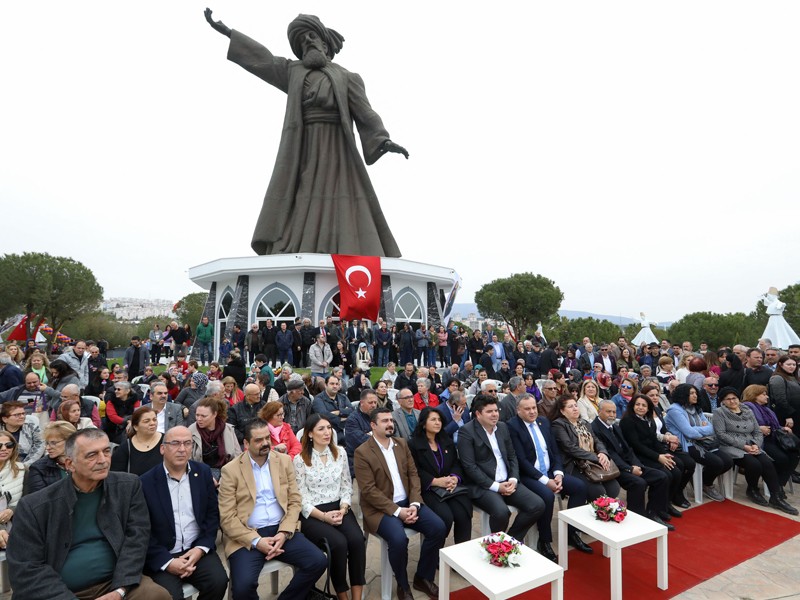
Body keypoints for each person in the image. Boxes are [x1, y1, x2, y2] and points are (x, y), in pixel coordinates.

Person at [7, 429, 171, 599]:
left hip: (115, 583)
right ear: (70, 464)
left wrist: (119, 591)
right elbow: (27, 568)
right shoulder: (35, 506)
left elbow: (137, 540)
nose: (103, 460)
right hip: (59, 592)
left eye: (106, 451)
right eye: (92, 455)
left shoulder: (128, 486)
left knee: (156, 595)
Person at [218, 418, 328, 600]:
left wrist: (284, 533)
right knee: (243, 587)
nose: (265, 443)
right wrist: (256, 541)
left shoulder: (283, 461)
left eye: (267, 438)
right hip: (247, 536)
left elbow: (294, 501)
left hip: (281, 530)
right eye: (258, 440)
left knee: (318, 561)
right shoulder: (231, 470)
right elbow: (227, 518)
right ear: (246, 443)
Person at [354, 407, 446, 600]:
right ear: (373, 425)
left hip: (408, 502)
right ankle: (403, 586)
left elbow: (413, 475)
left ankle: (423, 577)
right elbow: (369, 491)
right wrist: (398, 511)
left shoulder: (401, 444)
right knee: (398, 540)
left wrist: (414, 504)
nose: (390, 424)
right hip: (381, 509)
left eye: (391, 420)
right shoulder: (362, 452)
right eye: (385, 421)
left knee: (438, 527)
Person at [140, 426, 229, 600]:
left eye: (187, 443)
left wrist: (201, 549)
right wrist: (168, 562)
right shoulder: (145, 482)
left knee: (218, 582)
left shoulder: (202, 473)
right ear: (162, 448)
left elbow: (212, 515)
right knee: (169, 595)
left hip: (196, 548)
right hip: (163, 554)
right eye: (175, 443)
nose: (182, 449)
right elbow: (142, 530)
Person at [507, 394, 588, 561]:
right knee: (547, 496)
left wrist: (558, 473)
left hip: (550, 472)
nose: (532, 412)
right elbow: (521, 461)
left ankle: (571, 532)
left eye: (534, 408)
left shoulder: (544, 423)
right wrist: (546, 481)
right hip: (529, 475)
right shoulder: (512, 426)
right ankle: (544, 541)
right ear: (518, 410)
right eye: (527, 409)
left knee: (580, 487)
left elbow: (554, 452)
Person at [294, 414, 366, 600]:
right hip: (313, 512)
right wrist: (324, 516)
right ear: (309, 434)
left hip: (339, 507)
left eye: (328, 428)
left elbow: (346, 485)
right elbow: (300, 498)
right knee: (338, 544)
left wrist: (343, 508)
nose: (327, 432)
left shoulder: (339, 452)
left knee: (357, 541)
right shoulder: (300, 459)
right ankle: (342, 595)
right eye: (321, 429)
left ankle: (357, 597)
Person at [457, 394, 545, 543]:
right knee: (501, 512)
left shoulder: (502, 427)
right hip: (483, 486)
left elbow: (512, 456)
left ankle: (510, 541)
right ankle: (495, 546)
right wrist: (497, 487)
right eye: (489, 411)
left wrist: (513, 479)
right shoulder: (467, 431)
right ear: (478, 414)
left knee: (537, 505)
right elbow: (469, 467)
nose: (495, 414)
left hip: (507, 481)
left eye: (496, 410)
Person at [712, 387, 798, 514]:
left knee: (767, 463)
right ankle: (752, 489)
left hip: (751, 444)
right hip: (731, 445)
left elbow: (757, 431)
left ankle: (776, 497)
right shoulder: (719, 412)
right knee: (754, 464)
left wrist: (756, 444)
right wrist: (744, 446)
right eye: (728, 399)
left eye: (734, 398)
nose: (732, 401)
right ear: (723, 401)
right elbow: (721, 434)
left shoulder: (747, 410)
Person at [591, 399, 674, 529]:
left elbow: (628, 449)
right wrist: (630, 469)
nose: (612, 415)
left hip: (629, 464)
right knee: (638, 483)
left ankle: (653, 513)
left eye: (614, 412)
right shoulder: (595, 428)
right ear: (599, 411)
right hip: (613, 468)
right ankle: (638, 518)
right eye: (608, 412)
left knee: (661, 476)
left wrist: (637, 464)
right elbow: (610, 454)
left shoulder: (614, 426)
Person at [550, 396, 620, 539]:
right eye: (570, 406)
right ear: (562, 411)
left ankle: (596, 518)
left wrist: (602, 453)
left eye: (575, 405)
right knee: (597, 490)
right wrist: (596, 457)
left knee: (614, 487)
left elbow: (597, 441)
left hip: (592, 464)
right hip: (572, 465)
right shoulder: (559, 425)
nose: (575, 408)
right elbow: (570, 448)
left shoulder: (584, 423)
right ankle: (573, 530)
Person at [619, 395, 695, 514]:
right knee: (666, 475)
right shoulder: (628, 421)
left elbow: (654, 440)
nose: (640, 407)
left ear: (649, 408)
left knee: (676, 470)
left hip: (650, 453)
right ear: (632, 406)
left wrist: (664, 454)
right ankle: (654, 510)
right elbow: (637, 445)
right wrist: (658, 457)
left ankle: (666, 504)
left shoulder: (647, 420)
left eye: (644, 405)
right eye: (637, 404)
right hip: (638, 456)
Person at [409, 407, 473, 544]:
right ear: (424, 424)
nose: (437, 423)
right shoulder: (414, 444)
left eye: (439, 420)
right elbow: (414, 470)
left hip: (449, 487)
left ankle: (461, 552)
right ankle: (436, 554)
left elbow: (455, 462)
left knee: (463, 513)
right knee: (445, 516)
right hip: (428, 488)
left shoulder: (445, 440)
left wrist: (455, 478)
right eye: (433, 420)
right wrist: (435, 481)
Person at [665, 383, 732, 503]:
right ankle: (707, 484)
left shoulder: (696, 408)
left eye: (695, 393)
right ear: (683, 395)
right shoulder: (675, 410)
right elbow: (690, 434)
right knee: (717, 463)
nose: (695, 395)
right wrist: (701, 429)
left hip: (703, 443)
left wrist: (697, 430)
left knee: (728, 462)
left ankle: (703, 482)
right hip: (687, 444)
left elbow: (712, 428)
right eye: (691, 393)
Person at [742, 384, 800, 490]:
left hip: (773, 438)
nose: (767, 397)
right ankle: (775, 486)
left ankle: (779, 484)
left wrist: (783, 428)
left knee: (794, 454)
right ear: (755, 395)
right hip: (759, 441)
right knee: (782, 458)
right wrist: (759, 428)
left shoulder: (766, 409)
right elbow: (742, 425)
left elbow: (774, 426)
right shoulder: (747, 406)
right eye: (763, 394)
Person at [111, 407, 164, 476]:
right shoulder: (126, 447)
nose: (152, 423)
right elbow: (116, 474)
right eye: (146, 421)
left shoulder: (166, 441)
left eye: (154, 420)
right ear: (136, 426)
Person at [26, 421, 76, 494]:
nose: (47, 448)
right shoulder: (38, 468)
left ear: (70, 440)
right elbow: (38, 500)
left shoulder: (85, 461)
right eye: (47, 443)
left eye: (53, 443)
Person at [0, 431, 25, 550]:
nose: (4, 449)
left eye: (9, 445)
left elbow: (29, 499)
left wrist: (12, 510)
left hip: (16, 526)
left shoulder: (23, 469)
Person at [0, 400, 44, 466]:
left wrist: (24, 465)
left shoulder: (31, 424)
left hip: (28, 464)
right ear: (5, 419)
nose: (22, 417)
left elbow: (40, 445)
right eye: (17, 415)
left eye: (23, 413)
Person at [768, 355, 800, 438]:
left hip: (796, 413)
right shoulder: (777, 378)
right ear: (781, 364)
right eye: (788, 364)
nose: (792, 367)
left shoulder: (793, 377)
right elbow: (780, 399)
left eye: (794, 365)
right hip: (787, 415)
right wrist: (787, 416)